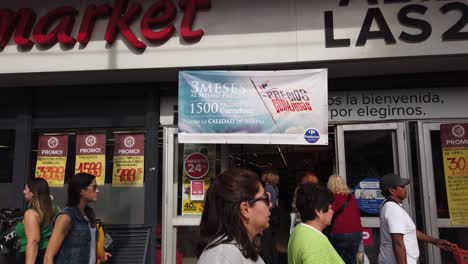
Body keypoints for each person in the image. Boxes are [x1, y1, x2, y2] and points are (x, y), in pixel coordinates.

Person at [197, 168, 271, 264]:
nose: (270, 204)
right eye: (265, 198)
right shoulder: (223, 256)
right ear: (245, 209)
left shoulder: (238, 248)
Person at [378, 173, 452, 264]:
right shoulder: (393, 209)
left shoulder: (389, 205)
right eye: (402, 186)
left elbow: (409, 231)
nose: (406, 188)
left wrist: (435, 241)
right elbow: (398, 243)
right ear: (392, 190)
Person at [44, 173, 111, 264]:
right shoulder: (66, 217)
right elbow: (48, 256)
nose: (97, 190)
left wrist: (97, 255)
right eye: (94, 187)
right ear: (81, 191)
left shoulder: (89, 215)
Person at [288, 184, 344, 264]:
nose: (332, 211)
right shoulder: (315, 245)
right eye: (329, 208)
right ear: (318, 212)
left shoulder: (298, 231)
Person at [15, 178, 59, 264]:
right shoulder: (56, 209)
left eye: (26, 189)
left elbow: (34, 242)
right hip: (49, 254)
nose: (24, 192)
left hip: (33, 257)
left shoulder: (31, 214)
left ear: (33, 193)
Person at [327, 175, 363, 264]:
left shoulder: (332, 198)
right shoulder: (351, 197)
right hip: (356, 232)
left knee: (336, 259)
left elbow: (329, 214)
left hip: (339, 232)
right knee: (352, 259)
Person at [260, 169, 280, 264]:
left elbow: (269, 203)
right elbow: (276, 203)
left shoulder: (267, 188)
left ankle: (267, 261)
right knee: (273, 242)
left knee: (265, 243)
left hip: (269, 216)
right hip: (275, 215)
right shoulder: (275, 187)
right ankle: (274, 260)